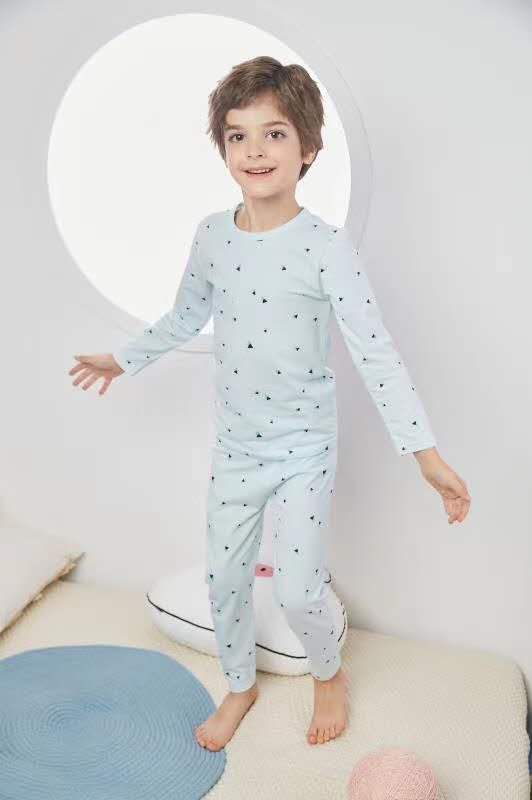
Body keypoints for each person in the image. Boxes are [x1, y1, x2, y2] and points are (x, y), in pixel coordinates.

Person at [68, 56, 471, 751]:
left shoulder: (325, 248)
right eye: (238, 135)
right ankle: (240, 684)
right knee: (225, 577)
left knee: (296, 590)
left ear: (308, 148)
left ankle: (328, 673)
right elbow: (185, 315)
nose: (254, 150)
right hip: (236, 446)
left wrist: (426, 456)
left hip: (304, 450)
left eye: (274, 133)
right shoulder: (212, 235)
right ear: (223, 148)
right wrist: (125, 358)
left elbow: (375, 353)